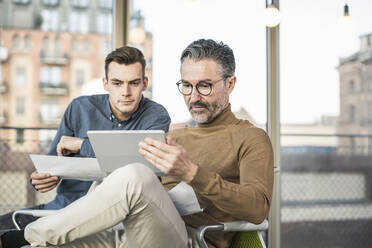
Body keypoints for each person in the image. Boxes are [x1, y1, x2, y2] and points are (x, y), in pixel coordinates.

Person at [1, 39, 273, 248]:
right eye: (186, 86)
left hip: (186, 239)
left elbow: (258, 208)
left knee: (135, 173)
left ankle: (24, 234)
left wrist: (192, 173)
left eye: (204, 86)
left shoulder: (250, 137)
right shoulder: (175, 138)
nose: (193, 97)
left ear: (231, 83)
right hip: (126, 230)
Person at [0, 46, 171, 231]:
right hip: (62, 210)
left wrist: (82, 145)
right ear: (105, 83)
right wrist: (40, 179)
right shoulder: (79, 108)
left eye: (134, 83)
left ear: (145, 83)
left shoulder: (156, 116)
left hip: (116, 221)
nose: (126, 92)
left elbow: (139, 167)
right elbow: (51, 165)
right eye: (117, 83)